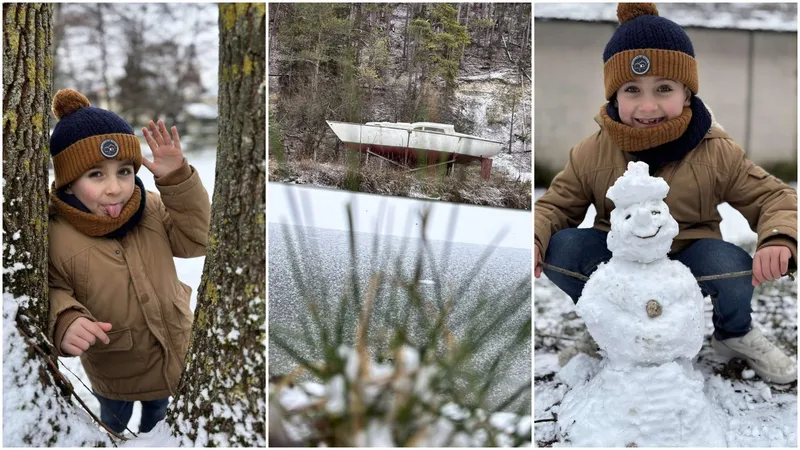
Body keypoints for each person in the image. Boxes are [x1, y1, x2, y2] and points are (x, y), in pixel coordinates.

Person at [534, 3, 797, 383]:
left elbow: (774, 197)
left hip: (690, 256)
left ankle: (734, 333)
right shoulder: (591, 152)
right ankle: (607, 327)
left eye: (664, 88)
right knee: (563, 248)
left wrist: (780, 237)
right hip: (619, 261)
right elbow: (555, 206)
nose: (647, 105)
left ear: (687, 93)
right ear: (614, 96)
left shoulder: (716, 149)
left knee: (733, 265)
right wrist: (537, 234)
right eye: (631, 90)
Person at [46, 88, 211, 433]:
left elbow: (198, 240)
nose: (115, 188)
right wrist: (65, 320)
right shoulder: (55, 234)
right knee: (112, 426)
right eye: (96, 175)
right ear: (68, 183)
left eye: (123, 171)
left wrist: (177, 180)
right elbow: (51, 289)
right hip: (114, 367)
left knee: (160, 422)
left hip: (171, 355)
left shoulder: (149, 207)